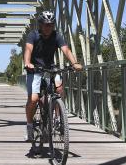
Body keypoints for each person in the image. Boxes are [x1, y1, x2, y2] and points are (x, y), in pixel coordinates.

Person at [23, 10, 83, 141]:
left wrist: (75, 63)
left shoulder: (57, 36)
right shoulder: (33, 35)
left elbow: (66, 49)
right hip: (35, 69)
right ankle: (29, 125)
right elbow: (28, 49)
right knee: (33, 100)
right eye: (45, 24)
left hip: (50, 68)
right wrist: (27, 62)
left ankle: (57, 119)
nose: (48, 27)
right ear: (40, 24)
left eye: (50, 24)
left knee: (59, 89)